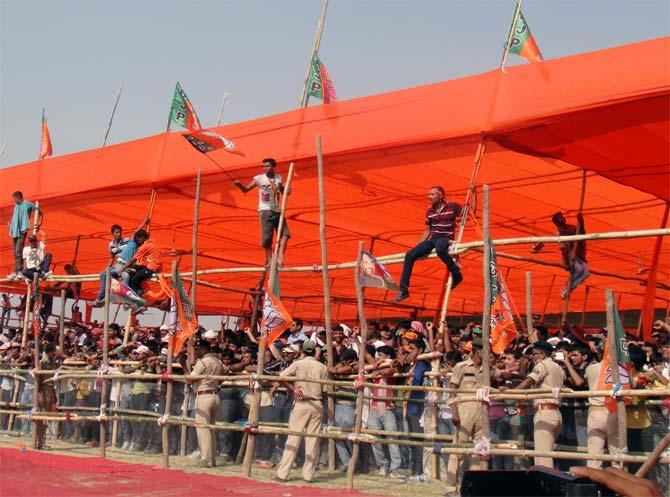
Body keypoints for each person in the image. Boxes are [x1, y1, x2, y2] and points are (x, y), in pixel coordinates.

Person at [446, 337, 500, 489]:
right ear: (477, 350)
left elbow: (502, 375)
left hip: (483, 409)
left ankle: (474, 486)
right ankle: (451, 486)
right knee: (458, 448)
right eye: (486, 350)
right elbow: (452, 390)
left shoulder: (488, 368)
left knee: (481, 449)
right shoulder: (461, 366)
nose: (489, 354)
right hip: (465, 408)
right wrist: (454, 412)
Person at [394, 186, 463, 303]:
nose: (429, 197)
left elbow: (469, 212)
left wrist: (474, 192)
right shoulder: (429, 211)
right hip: (433, 238)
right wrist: (418, 247)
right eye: (429, 194)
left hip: (446, 237)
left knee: (440, 249)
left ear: (441, 196)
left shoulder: (452, 206)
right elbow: (427, 230)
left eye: (432, 194)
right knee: (409, 255)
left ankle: (457, 274)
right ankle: (403, 290)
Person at [274, 339, 329, 483]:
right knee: (313, 440)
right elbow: (324, 392)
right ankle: (308, 475)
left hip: (301, 403)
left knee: (293, 438)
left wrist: (294, 389)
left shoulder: (298, 364)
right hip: (317, 403)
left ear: (302, 351)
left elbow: (280, 377)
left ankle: (283, 473)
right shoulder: (322, 367)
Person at [508, 340, 565, 468]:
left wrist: (511, 393)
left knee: (542, 456)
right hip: (556, 413)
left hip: (544, 412)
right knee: (547, 453)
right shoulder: (558, 368)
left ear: (542, 354)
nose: (532, 357)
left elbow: (529, 381)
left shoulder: (542, 365)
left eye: (534, 354)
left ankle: (545, 485)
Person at [233, 158, 291, 268]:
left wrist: (286, 189)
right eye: (264, 166)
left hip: (277, 211)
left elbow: (285, 192)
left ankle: (280, 257)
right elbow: (246, 189)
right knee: (266, 240)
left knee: (285, 234)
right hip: (266, 211)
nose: (265, 168)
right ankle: (270, 261)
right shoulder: (259, 178)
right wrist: (239, 184)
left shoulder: (278, 178)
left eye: (267, 166)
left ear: (274, 167)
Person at [189, 338, 224, 467]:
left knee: (203, 429)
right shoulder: (218, 361)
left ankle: (205, 459)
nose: (196, 352)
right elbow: (224, 374)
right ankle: (212, 458)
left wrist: (183, 365)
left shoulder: (202, 362)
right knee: (211, 428)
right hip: (215, 395)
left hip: (203, 396)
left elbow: (190, 379)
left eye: (198, 349)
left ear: (204, 349)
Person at [551, 211, 589, 299]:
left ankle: (569, 288)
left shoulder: (571, 227)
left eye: (562, 216)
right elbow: (563, 249)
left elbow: (581, 233)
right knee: (579, 269)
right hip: (570, 256)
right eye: (560, 217)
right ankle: (567, 287)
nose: (563, 218)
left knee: (586, 273)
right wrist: (567, 263)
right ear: (557, 222)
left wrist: (581, 222)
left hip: (579, 255)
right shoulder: (559, 234)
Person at [7, 191, 42, 280]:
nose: (14, 200)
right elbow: (16, 217)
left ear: (18, 197)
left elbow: (40, 212)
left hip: (22, 230)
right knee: (15, 252)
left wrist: (38, 223)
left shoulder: (28, 204)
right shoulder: (16, 206)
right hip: (14, 230)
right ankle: (16, 271)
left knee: (19, 251)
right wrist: (11, 223)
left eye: (14, 199)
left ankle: (19, 271)